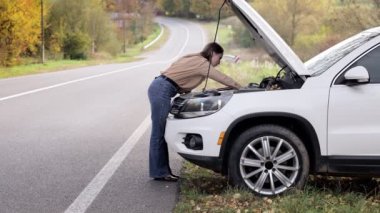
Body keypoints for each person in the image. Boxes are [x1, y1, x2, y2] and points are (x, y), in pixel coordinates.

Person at [147, 42, 241, 182]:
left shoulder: (193, 57)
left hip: (160, 86)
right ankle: (160, 172)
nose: (219, 62)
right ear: (213, 54)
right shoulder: (203, 64)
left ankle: (160, 171)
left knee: (159, 132)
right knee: (158, 132)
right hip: (163, 89)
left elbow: (178, 72)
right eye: (219, 58)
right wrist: (240, 86)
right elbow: (220, 77)